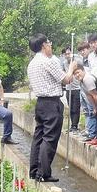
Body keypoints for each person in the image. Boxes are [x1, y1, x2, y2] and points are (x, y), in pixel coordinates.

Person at [27, 34, 77, 183]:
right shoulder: (46, 62)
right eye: (49, 43)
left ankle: (34, 170)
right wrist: (72, 68)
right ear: (44, 45)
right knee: (49, 138)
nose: (50, 46)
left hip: (41, 103)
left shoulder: (32, 63)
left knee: (39, 136)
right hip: (51, 103)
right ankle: (44, 173)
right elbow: (66, 79)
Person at [73, 65, 97, 145]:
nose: (77, 75)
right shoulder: (81, 82)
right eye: (75, 74)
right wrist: (95, 108)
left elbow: (95, 95)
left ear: (83, 71)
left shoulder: (87, 79)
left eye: (78, 72)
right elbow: (89, 96)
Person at [61, 46, 83, 133]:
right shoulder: (64, 63)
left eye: (68, 53)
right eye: (65, 54)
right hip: (68, 88)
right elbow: (63, 72)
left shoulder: (77, 61)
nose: (67, 55)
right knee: (70, 108)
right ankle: (72, 125)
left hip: (77, 88)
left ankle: (75, 126)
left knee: (76, 108)